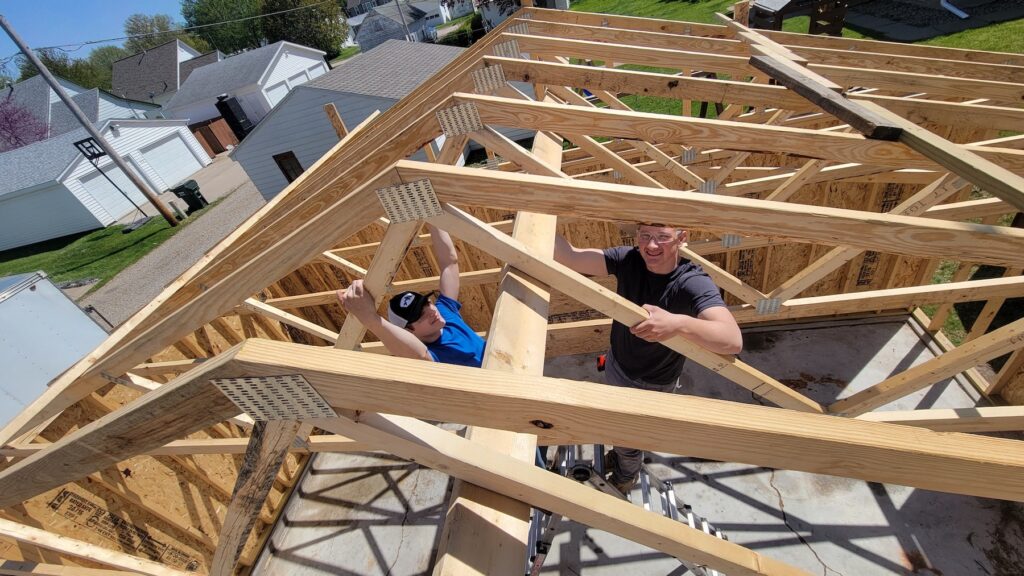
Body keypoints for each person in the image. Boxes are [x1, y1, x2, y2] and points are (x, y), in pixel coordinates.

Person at [554, 223, 742, 495]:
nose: (651, 246)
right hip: (618, 364)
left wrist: (677, 324)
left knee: (628, 436)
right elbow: (571, 257)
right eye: (645, 236)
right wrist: (532, 204)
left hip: (652, 381)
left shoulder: (690, 281)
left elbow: (732, 340)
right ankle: (622, 455)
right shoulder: (629, 259)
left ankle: (625, 474)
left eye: (663, 237)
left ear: (682, 238)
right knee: (621, 428)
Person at [338, 223, 485, 368]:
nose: (431, 312)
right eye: (419, 315)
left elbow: (449, 263)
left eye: (426, 303)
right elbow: (418, 354)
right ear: (409, 330)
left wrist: (433, 220)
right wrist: (368, 317)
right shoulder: (432, 356)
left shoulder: (445, 312)